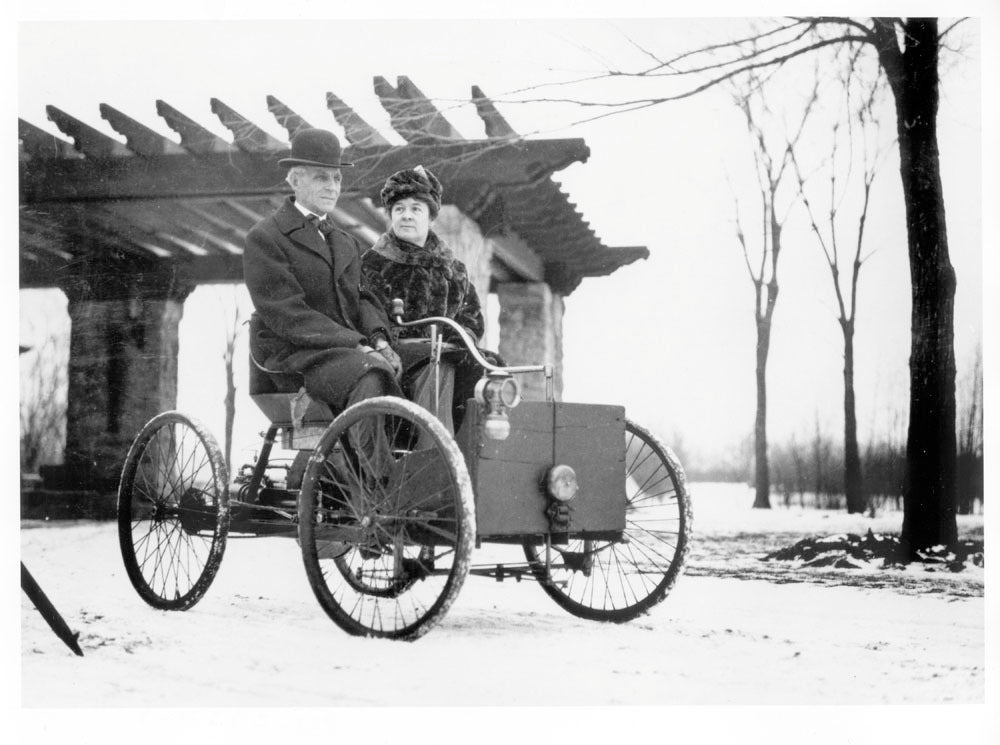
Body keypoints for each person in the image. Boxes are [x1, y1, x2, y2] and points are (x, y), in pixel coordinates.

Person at [243, 127, 402, 414]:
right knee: (371, 373)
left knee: (434, 361)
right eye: (321, 177)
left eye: (337, 178)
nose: (332, 186)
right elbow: (287, 314)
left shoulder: (345, 241)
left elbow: (362, 299)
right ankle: (373, 460)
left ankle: (425, 452)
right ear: (295, 180)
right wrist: (358, 345)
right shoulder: (266, 237)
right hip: (297, 357)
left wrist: (379, 340)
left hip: (349, 352)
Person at [361, 165, 499, 434]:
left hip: (444, 350)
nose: (407, 216)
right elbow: (367, 314)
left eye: (416, 209)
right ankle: (436, 453)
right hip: (397, 355)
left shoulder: (453, 268)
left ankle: (480, 453)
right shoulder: (373, 263)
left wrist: (460, 342)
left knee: (492, 369)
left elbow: (471, 319)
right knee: (440, 363)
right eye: (399, 209)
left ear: (430, 216)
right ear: (390, 215)